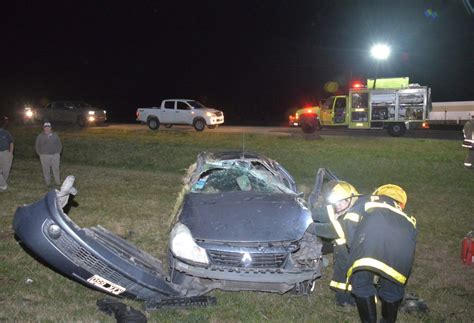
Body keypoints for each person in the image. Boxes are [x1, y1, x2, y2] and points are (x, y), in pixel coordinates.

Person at [343, 184, 417, 323]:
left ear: (378, 193)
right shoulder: (408, 218)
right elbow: (411, 243)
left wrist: (355, 247)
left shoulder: (367, 199)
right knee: (392, 288)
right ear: (401, 203)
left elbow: (350, 220)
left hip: (368, 244)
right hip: (401, 252)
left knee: (361, 283)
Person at [307, 180, 363, 306]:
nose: (337, 205)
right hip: (347, 250)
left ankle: (348, 299)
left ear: (350, 199)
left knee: (346, 274)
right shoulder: (350, 207)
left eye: (340, 202)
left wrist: (306, 226)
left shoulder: (352, 217)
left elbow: (330, 230)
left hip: (354, 255)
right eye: (335, 202)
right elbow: (327, 214)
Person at [36, 122, 62, 186]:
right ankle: (48, 183)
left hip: (55, 155)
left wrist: (58, 152)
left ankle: (57, 182)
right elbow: (37, 146)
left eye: (48, 127)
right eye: (46, 127)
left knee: (56, 169)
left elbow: (59, 144)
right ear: (43, 128)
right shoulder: (40, 136)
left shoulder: (55, 135)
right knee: (46, 170)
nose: (47, 128)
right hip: (44, 156)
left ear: (50, 128)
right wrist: (40, 154)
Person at [0, 117, 14, 191]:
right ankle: (3, 184)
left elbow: (11, 142)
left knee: (6, 170)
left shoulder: (6, 132)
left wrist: (11, 153)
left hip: (5, 153)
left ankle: (2, 185)